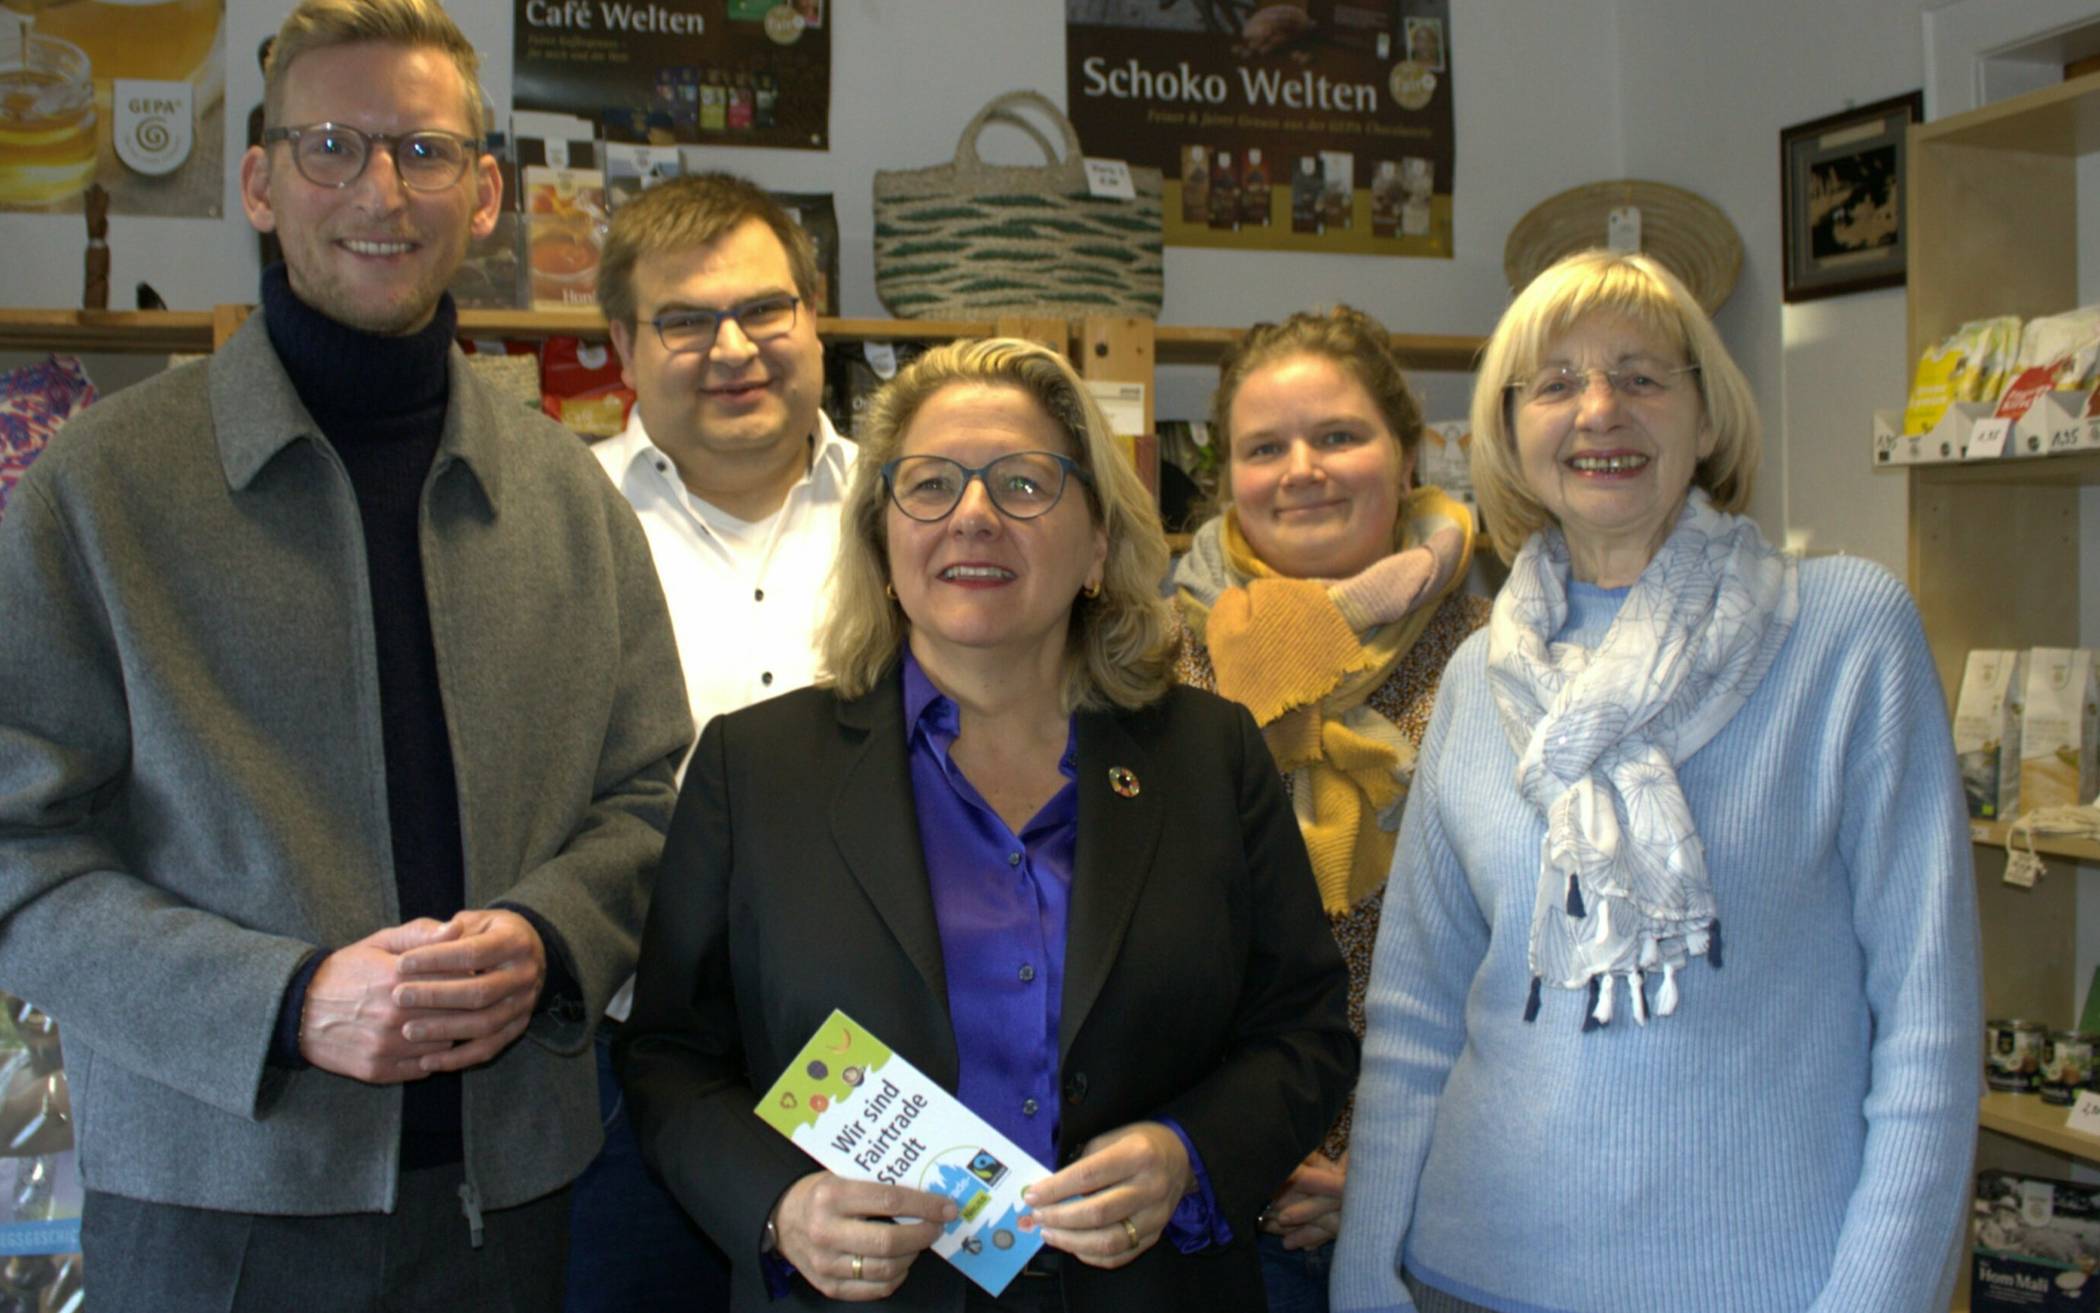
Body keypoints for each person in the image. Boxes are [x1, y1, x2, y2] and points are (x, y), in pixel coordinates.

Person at [0, 1, 692, 1308]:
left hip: (513, 1211)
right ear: (258, 183)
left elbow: (651, 793)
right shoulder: (106, 490)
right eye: (330, 146)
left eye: (425, 152)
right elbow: (18, 849)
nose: (381, 189)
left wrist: (551, 936)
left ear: (485, 194)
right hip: (216, 1208)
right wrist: (284, 1001)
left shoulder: (563, 492)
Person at [617, 337, 1356, 1311]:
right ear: (882, 537)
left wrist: (1185, 1155)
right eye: (930, 484)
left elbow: (1301, 1028)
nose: (973, 514)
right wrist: (780, 1204)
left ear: (1097, 542)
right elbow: (671, 1056)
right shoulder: (756, 769)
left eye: (1023, 481)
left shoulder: (1209, 754)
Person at [1329, 249, 1981, 1313]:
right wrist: (1365, 1286)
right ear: (1507, 430)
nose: (1599, 410)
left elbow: (1929, 1029)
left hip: (1768, 1284)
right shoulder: (1477, 678)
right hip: (1466, 1273)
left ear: (1708, 415)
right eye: (1556, 382)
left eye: (1641, 375)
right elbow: (1415, 1022)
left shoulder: (1847, 633)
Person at [1166, 305, 1489, 1313]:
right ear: (1228, 478)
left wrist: (1396, 1173)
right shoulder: (1157, 672)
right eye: (1266, 447)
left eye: (1339, 435)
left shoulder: (1501, 662)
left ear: (1409, 456)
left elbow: (1533, 963)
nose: (1301, 467)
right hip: (1205, 1211)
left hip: (1446, 1213)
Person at [572, 170, 853, 1313]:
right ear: (623, 345)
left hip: (878, 1069)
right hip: (621, 1068)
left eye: (765, 309)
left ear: (814, 314)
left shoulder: (924, 505)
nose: (732, 345)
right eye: (684, 320)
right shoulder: (555, 520)